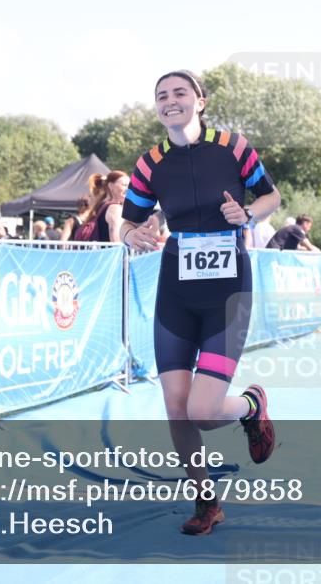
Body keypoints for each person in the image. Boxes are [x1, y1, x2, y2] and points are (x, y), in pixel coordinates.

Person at [119, 70, 282, 536]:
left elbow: (271, 196)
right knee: (177, 406)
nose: (170, 101)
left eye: (180, 93)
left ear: (200, 101)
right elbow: (126, 222)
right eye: (162, 95)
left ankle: (250, 405)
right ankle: (206, 500)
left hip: (227, 293)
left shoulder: (233, 146)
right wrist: (133, 235)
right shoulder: (150, 163)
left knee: (204, 412)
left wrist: (247, 214)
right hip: (176, 288)